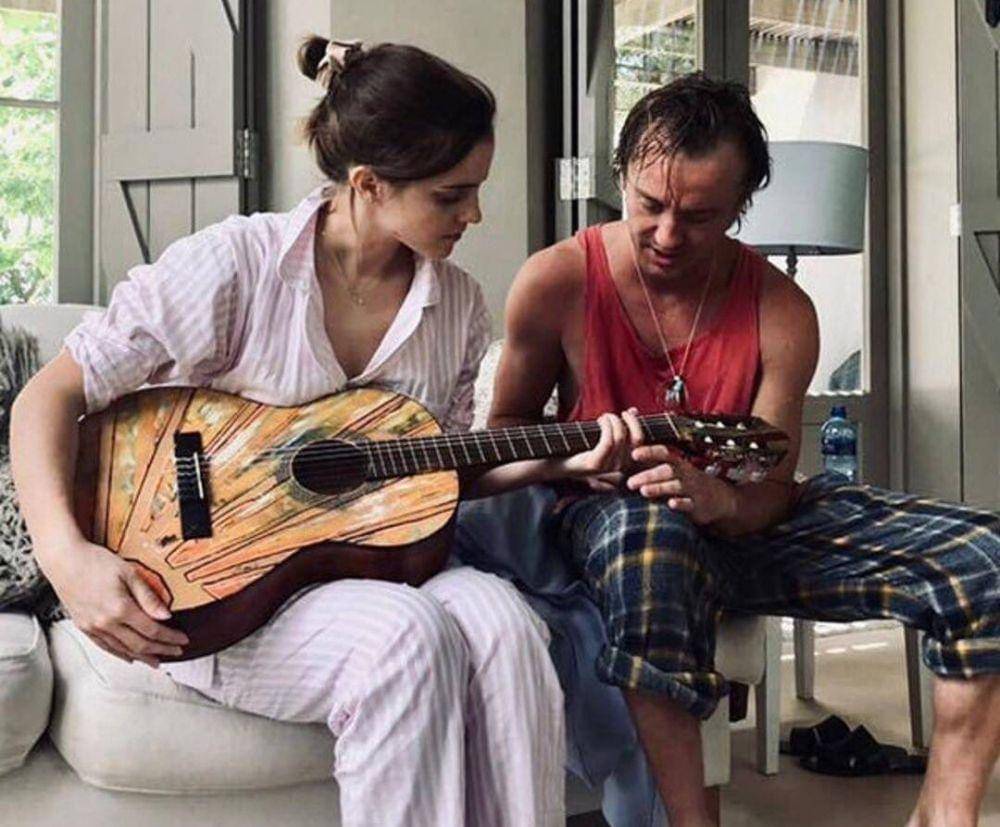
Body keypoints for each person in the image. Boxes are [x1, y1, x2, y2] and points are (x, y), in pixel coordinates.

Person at [8, 37, 621, 827]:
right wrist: (67, 558)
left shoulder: (459, 306)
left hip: (374, 566)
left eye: (477, 190)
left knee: (508, 626)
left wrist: (559, 461)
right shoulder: (238, 265)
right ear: (368, 184)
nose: (474, 214)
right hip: (222, 586)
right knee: (406, 635)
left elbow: (436, 474)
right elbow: (48, 394)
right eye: (451, 195)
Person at [489, 72, 1000, 827]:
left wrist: (721, 498)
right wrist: (576, 464)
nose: (668, 235)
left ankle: (945, 814)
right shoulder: (557, 280)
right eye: (650, 205)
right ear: (621, 177)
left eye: (699, 216)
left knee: (987, 558)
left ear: (740, 206)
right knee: (650, 540)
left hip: (746, 522)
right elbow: (501, 438)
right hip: (614, 523)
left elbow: (771, 483)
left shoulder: (781, 308)